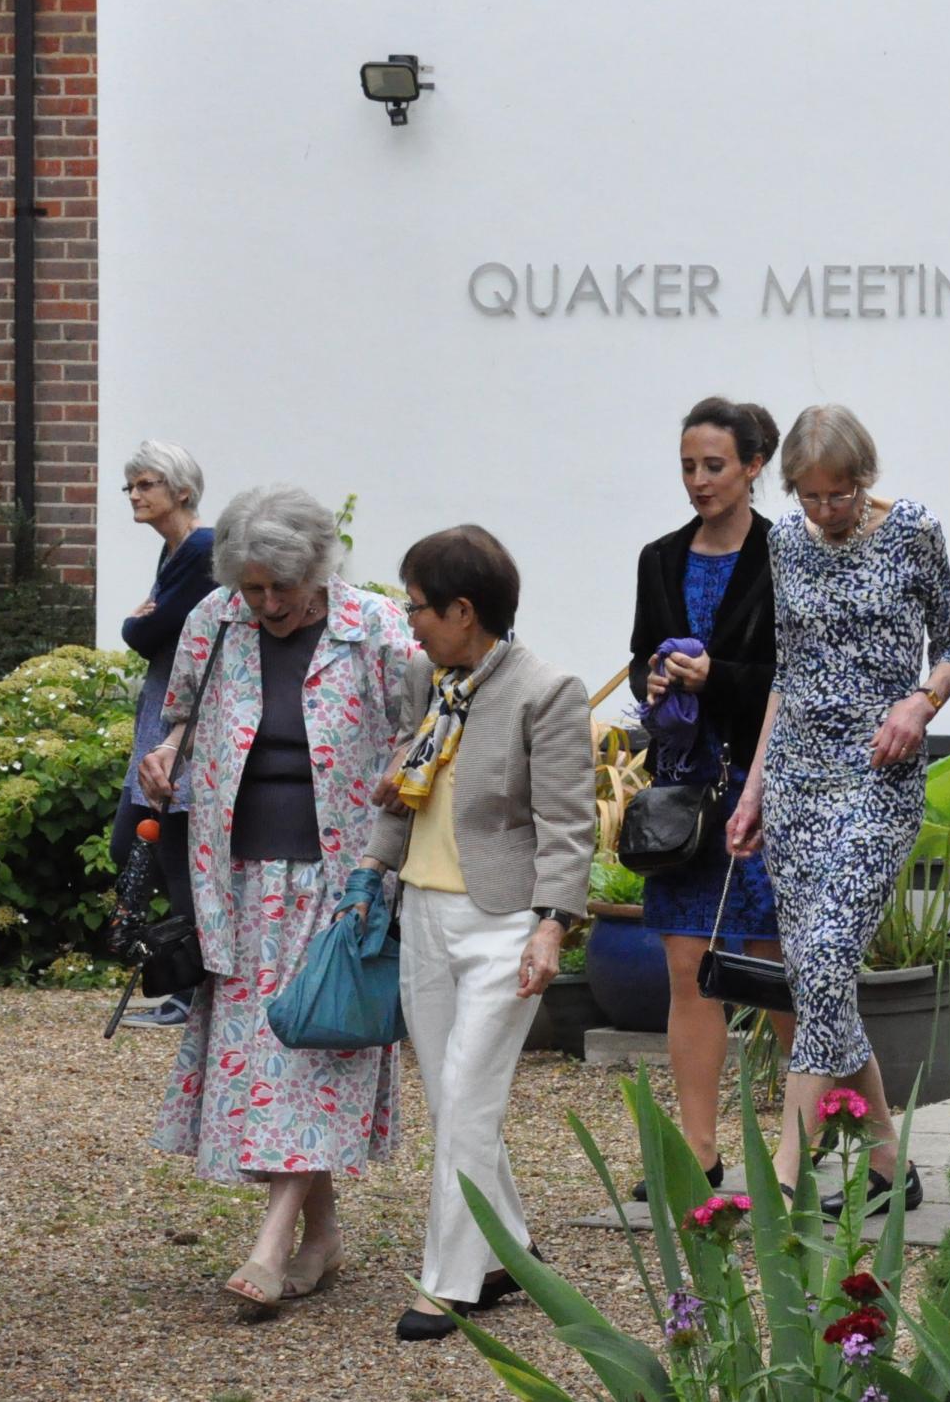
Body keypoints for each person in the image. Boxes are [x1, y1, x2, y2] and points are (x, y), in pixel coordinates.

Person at [137, 483, 413, 1316]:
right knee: (267, 1054)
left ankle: (272, 1239)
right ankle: (320, 1234)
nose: (265, 604)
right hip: (239, 875)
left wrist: (402, 784)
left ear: (318, 568)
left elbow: (423, 725)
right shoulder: (215, 620)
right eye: (251, 588)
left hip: (342, 875)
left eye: (279, 589)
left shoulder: (375, 628)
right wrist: (167, 755)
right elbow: (178, 714)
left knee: (310, 1047)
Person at [727, 405, 950, 1214]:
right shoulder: (784, 540)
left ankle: (784, 1176)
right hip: (795, 778)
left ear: (864, 479)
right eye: (809, 496)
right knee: (820, 975)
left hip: (878, 772)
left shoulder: (912, 530)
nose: (824, 513)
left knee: (826, 958)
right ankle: (887, 1166)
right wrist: (756, 785)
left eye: (838, 495)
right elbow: (784, 672)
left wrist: (919, 702)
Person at [362, 526, 594, 1341]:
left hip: (503, 927)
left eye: (417, 604)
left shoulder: (548, 690)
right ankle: (507, 1251)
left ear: (464, 609)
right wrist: (373, 867)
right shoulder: (431, 677)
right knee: (451, 1101)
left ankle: (449, 1282)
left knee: (466, 1100)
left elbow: (568, 827)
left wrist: (552, 928)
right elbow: (408, 787)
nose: (408, 617)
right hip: (422, 914)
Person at [629, 398, 795, 1191]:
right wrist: (655, 677)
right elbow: (636, 659)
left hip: (764, 786)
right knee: (687, 965)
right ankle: (696, 1150)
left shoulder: (786, 551)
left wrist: (714, 676)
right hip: (684, 790)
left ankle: (814, 1141)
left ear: (755, 465)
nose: (698, 480)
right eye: (689, 466)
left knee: (776, 967)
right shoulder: (659, 557)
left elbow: (795, 677)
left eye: (715, 465)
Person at [111, 439, 218, 1028]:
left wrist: (140, 618)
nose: (135, 494)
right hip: (162, 710)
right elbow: (147, 627)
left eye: (146, 484)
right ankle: (185, 981)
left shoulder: (201, 550)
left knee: (169, 852)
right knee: (136, 848)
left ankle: (190, 991)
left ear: (181, 490)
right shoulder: (175, 551)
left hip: (186, 720)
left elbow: (148, 633)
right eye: (130, 485)